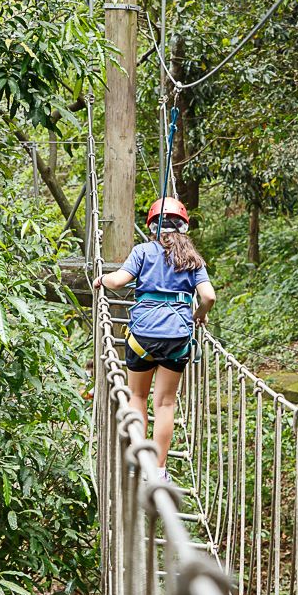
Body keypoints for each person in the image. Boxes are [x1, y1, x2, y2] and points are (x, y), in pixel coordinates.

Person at [93, 198, 215, 480]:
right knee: (165, 404)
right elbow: (209, 296)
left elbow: (119, 281)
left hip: (143, 338)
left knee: (138, 396)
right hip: (177, 338)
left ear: (152, 227)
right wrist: (198, 314)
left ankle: (137, 463)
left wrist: (102, 279)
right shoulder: (192, 258)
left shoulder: (142, 251)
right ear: (184, 227)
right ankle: (158, 471)